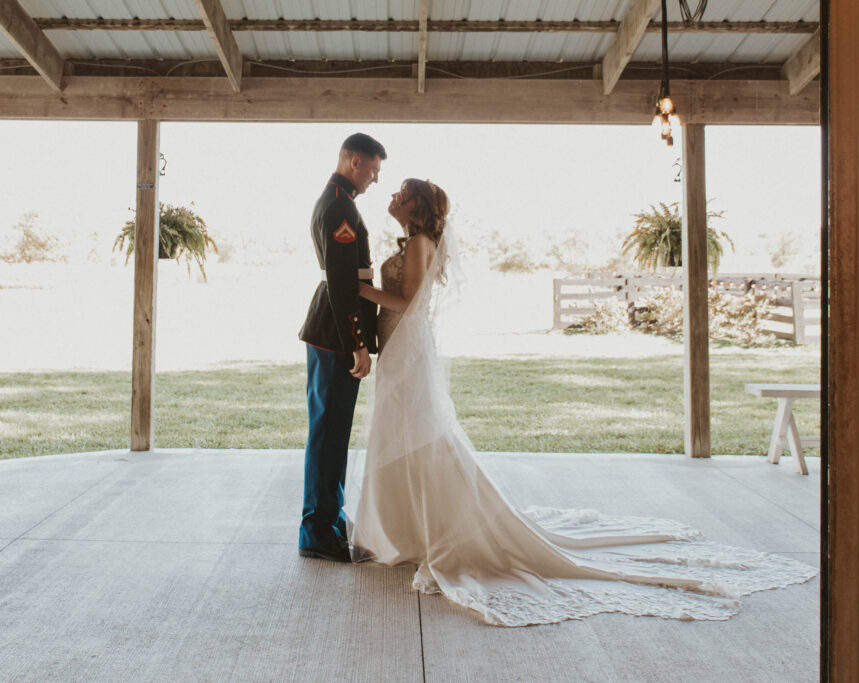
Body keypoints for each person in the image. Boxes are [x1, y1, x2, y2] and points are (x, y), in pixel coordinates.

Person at [350, 178, 817, 626]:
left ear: (416, 205)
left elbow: (408, 303)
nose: (393, 194)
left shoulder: (417, 246)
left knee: (417, 436)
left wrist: (355, 289)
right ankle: (405, 528)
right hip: (400, 351)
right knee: (406, 435)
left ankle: (427, 529)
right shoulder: (411, 244)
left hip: (408, 351)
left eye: (401, 192)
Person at [297, 133, 385, 563]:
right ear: (354, 161)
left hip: (329, 333)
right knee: (329, 435)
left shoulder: (337, 200)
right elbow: (342, 283)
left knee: (332, 434)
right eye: (372, 170)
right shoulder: (339, 206)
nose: (374, 179)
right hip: (334, 335)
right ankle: (316, 532)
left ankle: (329, 519)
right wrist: (358, 345)